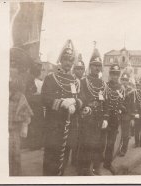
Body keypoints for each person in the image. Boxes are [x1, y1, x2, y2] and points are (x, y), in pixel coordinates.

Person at [41, 40, 83, 176]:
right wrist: (61, 103)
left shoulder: (76, 81)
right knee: (50, 158)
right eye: (65, 60)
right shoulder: (50, 78)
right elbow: (45, 98)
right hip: (53, 126)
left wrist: (75, 102)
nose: (68, 63)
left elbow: (82, 100)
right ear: (60, 60)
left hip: (69, 126)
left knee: (63, 159)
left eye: (71, 61)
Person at [77, 45, 108, 176]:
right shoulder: (83, 81)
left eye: (99, 65)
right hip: (87, 118)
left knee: (99, 145)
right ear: (90, 66)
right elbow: (79, 98)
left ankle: (95, 168)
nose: (97, 68)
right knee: (86, 144)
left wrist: (105, 117)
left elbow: (105, 102)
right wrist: (85, 107)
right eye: (94, 65)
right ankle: (84, 169)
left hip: (99, 119)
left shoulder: (103, 84)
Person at [9, 47, 34, 176]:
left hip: (13, 129)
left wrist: (25, 125)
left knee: (14, 156)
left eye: (13, 66)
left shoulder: (19, 93)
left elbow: (24, 107)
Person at [101, 64, 125, 175]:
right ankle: (97, 162)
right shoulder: (105, 86)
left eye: (117, 74)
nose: (115, 76)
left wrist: (120, 110)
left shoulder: (121, 88)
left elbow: (121, 102)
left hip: (115, 118)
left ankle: (107, 163)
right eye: (113, 74)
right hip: (105, 117)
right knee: (101, 141)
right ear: (110, 75)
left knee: (111, 142)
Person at [70, 53, 85, 167]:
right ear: (74, 69)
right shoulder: (71, 80)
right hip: (71, 111)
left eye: (81, 69)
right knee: (72, 137)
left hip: (82, 113)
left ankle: (76, 159)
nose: (79, 71)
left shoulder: (84, 82)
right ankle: (70, 159)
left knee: (80, 137)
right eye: (77, 69)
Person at [118, 72, 135, 157]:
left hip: (126, 115)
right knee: (117, 133)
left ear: (128, 81)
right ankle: (117, 149)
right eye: (123, 80)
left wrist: (132, 117)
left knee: (125, 134)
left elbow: (132, 105)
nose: (124, 82)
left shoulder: (131, 92)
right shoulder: (118, 89)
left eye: (126, 80)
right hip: (118, 115)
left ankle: (123, 150)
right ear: (121, 80)